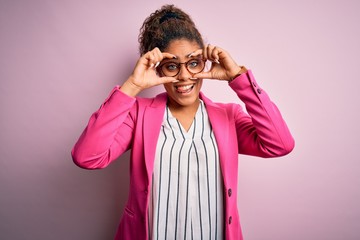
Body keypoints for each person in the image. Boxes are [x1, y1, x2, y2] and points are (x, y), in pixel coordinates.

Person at [71, 4, 295, 240]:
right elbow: (87, 157)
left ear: (204, 63)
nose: (185, 76)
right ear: (158, 69)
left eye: (193, 62)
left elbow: (280, 144)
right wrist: (133, 86)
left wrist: (238, 77)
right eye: (172, 66)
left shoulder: (229, 116)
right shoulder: (138, 114)